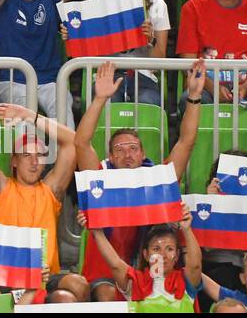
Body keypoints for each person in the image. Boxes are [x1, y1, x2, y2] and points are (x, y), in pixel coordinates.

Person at [74, 59, 206, 300]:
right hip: (107, 273)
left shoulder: (157, 180)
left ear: (143, 154)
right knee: (106, 295)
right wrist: (100, 99)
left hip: (153, 269)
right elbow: (81, 143)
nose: (127, 154)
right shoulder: (100, 181)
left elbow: (186, 142)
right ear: (110, 157)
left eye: (133, 148)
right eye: (120, 150)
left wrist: (194, 97)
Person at [0, 102, 78, 276]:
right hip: (6, 277)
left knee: (76, 285)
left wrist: (29, 116)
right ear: (14, 161)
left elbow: (73, 142)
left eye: (39, 156)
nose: (34, 162)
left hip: (46, 278)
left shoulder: (51, 190)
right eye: (26, 155)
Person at [88, 204, 204, 312]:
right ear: (146, 255)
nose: (162, 255)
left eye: (169, 249)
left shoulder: (185, 281)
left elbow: (195, 265)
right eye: (156, 249)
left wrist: (187, 229)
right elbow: (115, 265)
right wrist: (97, 232)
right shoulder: (135, 283)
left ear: (177, 255)